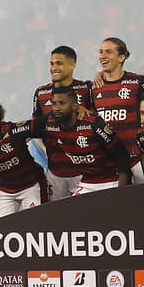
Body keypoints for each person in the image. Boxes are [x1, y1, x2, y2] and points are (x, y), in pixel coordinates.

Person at [32, 86, 130, 197]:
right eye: (54, 104)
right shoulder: (49, 122)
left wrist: (121, 189)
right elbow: (23, 130)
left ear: (75, 106)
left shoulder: (93, 125)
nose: (56, 108)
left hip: (111, 180)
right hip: (87, 182)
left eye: (62, 103)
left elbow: (122, 155)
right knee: (75, 213)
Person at [31, 45, 91, 201]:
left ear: (72, 64)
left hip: (84, 171)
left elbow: (97, 120)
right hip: (55, 172)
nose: (53, 68)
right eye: (51, 63)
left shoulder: (86, 88)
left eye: (59, 63)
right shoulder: (41, 93)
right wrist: (43, 149)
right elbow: (34, 128)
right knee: (58, 221)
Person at [91, 37, 144, 185]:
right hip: (109, 163)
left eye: (108, 52)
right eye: (101, 52)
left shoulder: (137, 82)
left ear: (121, 57)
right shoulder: (93, 87)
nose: (102, 56)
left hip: (137, 159)